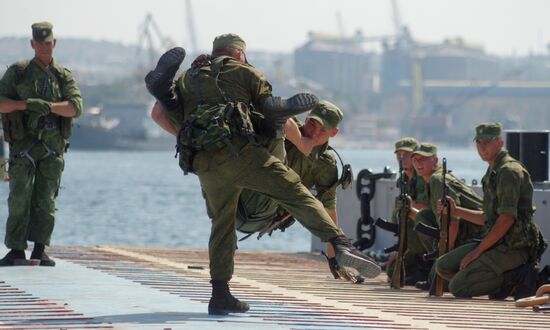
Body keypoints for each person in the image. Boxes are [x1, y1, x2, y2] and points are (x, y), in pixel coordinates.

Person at [145, 34, 380, 315]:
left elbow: (159, 115)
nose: (314, 130)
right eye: (312, 123)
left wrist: (179, 121)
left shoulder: (190, 77)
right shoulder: (246, 73)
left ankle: (220, 295)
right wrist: (336, 246)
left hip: (205, 163)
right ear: (240, 55)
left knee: (221, 225)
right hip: (246, 164)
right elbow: (320, 204)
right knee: (295, 191)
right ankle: (340, 243)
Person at [0, 22, 82, 266]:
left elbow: (75, 107)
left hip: (52, 147)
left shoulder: (62, 75)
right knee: (19, 198)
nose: (45, 47)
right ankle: (16, 249)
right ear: (32, 44)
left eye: (48, 43)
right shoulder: (18, 72)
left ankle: (40, 249)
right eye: (40, 43)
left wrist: (49, 107)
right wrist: (26, 104)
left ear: (54, 43)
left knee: (46, 200)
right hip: (23, 145)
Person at [435, 123, 547, 299]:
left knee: (458, 286)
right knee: (443, 266)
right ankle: (499, 282)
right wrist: (455, 211)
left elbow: (506, 220)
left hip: (514, 247)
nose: (481, 147)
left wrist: (476, 252)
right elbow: (487, 218)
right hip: (497, 242)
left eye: (486, 142)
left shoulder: (508, 171)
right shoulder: (493, 171)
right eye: (478, 142)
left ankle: (517, 275)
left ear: (500, 143)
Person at [407, 143, 486, 289]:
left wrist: (445, 252)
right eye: (415, 159)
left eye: (423, 159)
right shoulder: (431, 179)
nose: (418, 163)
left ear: (435, 161)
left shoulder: (438, 180)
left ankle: (443, 273)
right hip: (467, 232)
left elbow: (453, 221)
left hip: (479, 235)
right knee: (423, 216)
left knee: (444, 271)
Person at [385, 137, 430, 285]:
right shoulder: (404, 178)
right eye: (399, 154)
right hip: (412, 233)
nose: (402, 158)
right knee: (392, 272)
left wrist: (409, 206)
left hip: (427, 228)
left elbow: (427, 206)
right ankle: (416, 264)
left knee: (411, 219)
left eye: (406, 154)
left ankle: (424, 268)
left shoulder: (423, 177)